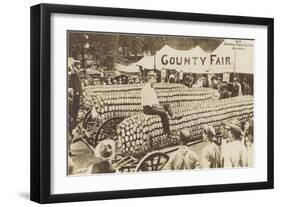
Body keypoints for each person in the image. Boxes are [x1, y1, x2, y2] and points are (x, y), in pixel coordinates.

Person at [141, 72, 179, 138]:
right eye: (154, 79)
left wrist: (159, 106)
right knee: (163, 113)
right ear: (151, 79)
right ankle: (168, 132)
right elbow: (149, 103)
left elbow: (155, 100)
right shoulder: (146, 89)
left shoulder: (151, 88)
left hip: (153, 106)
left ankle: (173, 116)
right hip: (148, 108)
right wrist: (159, 107)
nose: (155, 81)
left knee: (167, 105)